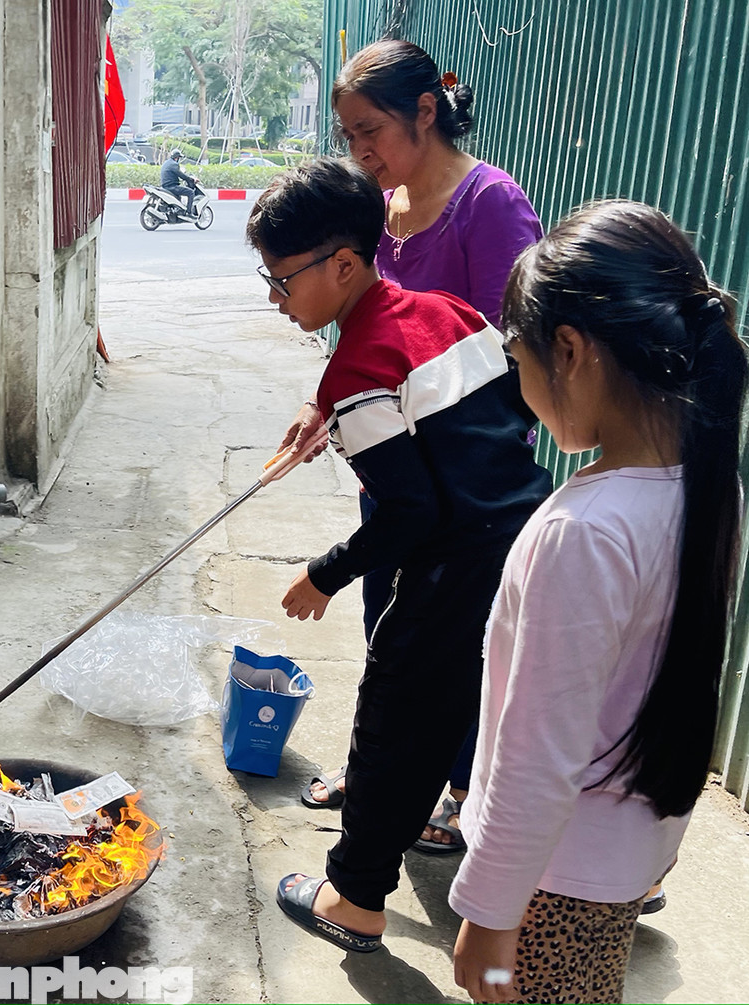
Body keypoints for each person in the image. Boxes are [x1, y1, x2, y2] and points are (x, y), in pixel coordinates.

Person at [248, 158, 550, 953]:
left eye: (282, 281)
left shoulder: (356, 368)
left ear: (343, 264)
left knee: (393, 724)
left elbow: (410, 511)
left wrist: (326, 572)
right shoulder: (446, 309)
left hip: (452, 568)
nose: (275, 299)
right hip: (526, 539)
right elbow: (513, 408)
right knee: (482, 713)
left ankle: (353, 898)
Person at [447, 200, 746, 1003]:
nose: (520, 379)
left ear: (570, 350)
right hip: (617, 861)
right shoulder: (709, 490)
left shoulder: (584, 531)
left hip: (551, 882)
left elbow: (538, 754)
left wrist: (490, 909)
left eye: (519, 357)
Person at [293, 41, 543, 855]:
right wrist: (324, 403)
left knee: (456, 648)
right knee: (390, 628)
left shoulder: (488, 203)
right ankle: (385, 778)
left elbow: (518, 354)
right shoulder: (382, 209)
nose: (359, 151)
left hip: (462, 485)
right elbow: (367, 332)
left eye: (370, 130)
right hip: (397, 470)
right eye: (348, 135)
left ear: (425, 112)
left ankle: (459, 792)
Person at [159, 149, 199, 217]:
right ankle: (189, 213)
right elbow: (181, 175)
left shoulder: (167, 163)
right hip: (172, 187)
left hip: (165, 186)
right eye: (179, 158)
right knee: (191, 192)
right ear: (177, 157)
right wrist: (191, 179)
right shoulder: (174, 164)